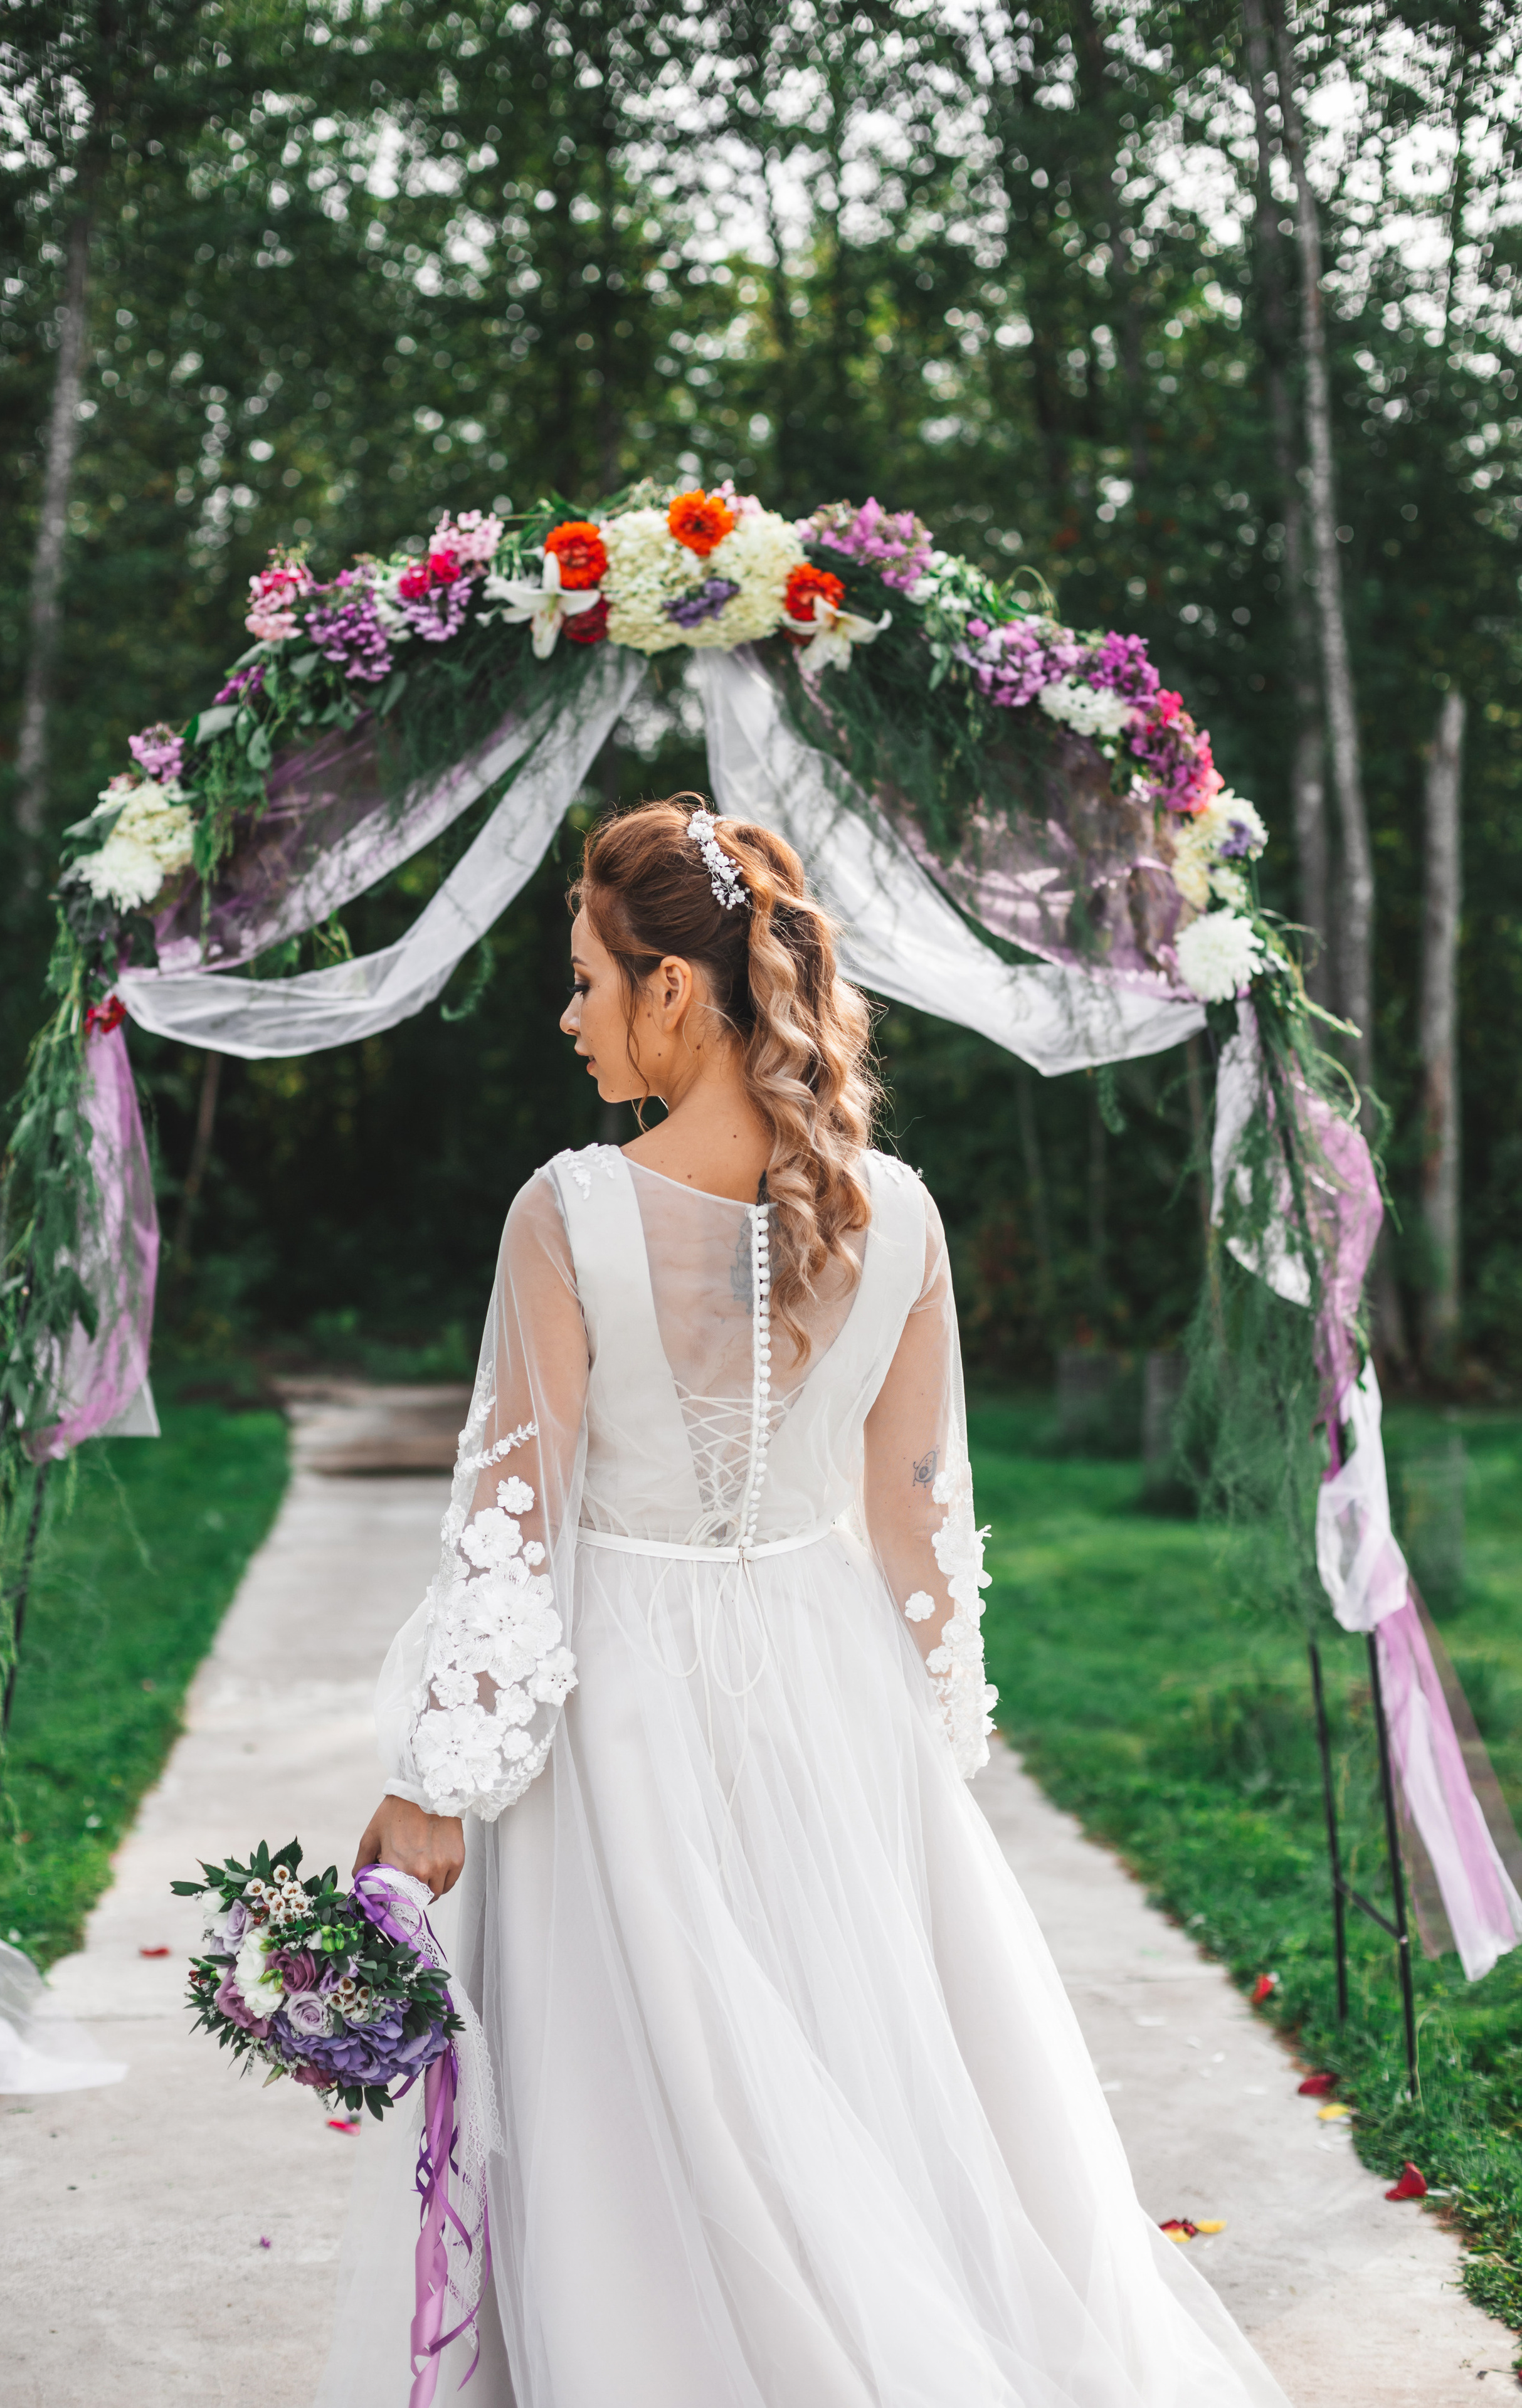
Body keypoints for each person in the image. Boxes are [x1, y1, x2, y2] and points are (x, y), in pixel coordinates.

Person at [327, 796, 1291, 2408]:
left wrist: (440, 1775)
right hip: (826, 1675)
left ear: (672, 989)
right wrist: (926, 1733)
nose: (567, 1017)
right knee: (848, 2055)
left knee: (639, 2080)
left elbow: (516, 1521)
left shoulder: (566, 1213)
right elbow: (913, 1514)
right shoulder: (895, 1213)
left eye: (582, 980)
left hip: (620, 1698)